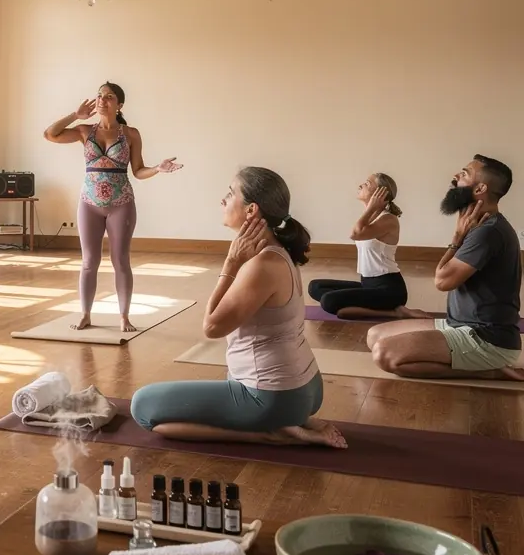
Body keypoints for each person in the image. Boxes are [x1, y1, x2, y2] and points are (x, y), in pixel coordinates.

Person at [131, 167, 346, 448]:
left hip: (276, 397)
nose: (223, 200)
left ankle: (271, 433)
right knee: (231, 373)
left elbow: (211, 327)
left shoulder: (261, 265)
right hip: (306, 389)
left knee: (143, 408)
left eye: (231, 193)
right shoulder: (278, 251)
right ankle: (289, 420)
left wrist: (230, 264)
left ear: (251, 210)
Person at [368, 155, 522, 382]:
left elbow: (442, 281)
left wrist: (457, 237)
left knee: (385, 355)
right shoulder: (482, 224)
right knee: (374, 336)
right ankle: (470, 359)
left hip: (486, 339)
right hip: (458, 324)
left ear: (480, 188)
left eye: (464, 173)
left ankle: (490, 370)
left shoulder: (488, 232)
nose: (455, 176)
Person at [43, 82, 181, 332]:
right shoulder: (85, 131)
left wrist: (158, 169)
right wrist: (75, 115)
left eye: (109, 97)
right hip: (89, 204)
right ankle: (85, 314)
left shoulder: (131, 134)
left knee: (120, 260)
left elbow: (138, 171)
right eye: (99, 96)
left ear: (120, 105)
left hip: (121, 204)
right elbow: (50, 134)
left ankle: (124, 317)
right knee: (88, 262)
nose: (102, 100)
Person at [307, 173, 409, 320]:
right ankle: (352, 308)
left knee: (329, 301)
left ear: (380, 193)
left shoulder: (388, 219)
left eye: (367, 184)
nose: (360, 185)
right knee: (315, 287)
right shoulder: (371, 217)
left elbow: (356, 234)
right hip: (367, 284)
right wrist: (370, 208)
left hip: (389, 290)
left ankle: (395, 312)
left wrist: (370, 207)